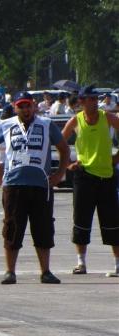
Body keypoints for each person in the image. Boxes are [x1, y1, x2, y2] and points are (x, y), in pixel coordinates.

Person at [0, 91, 70, 285]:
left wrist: (58, 175)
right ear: (15, 107)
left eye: (28, 105)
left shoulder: (46, 124)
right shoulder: (6, 125)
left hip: (41, 184)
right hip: (14, 184)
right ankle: (10, 271)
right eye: (21, 106)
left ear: (34, 106)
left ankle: (45, 271)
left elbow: (64, 148)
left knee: (43, 228)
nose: (25, 109)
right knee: (12, 227)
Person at [61, 85, 119, 277]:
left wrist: (117, 157)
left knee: (112, 221)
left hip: (106, 176)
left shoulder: (108, 117)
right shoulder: (76, 120)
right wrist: (68, 163)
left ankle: (118, 264)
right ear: (82, 102)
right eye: (90, 99)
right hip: (84, 176)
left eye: (96, 99)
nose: (94, 102)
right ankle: (81, 263)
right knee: (81, 220)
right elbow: (60, 141)